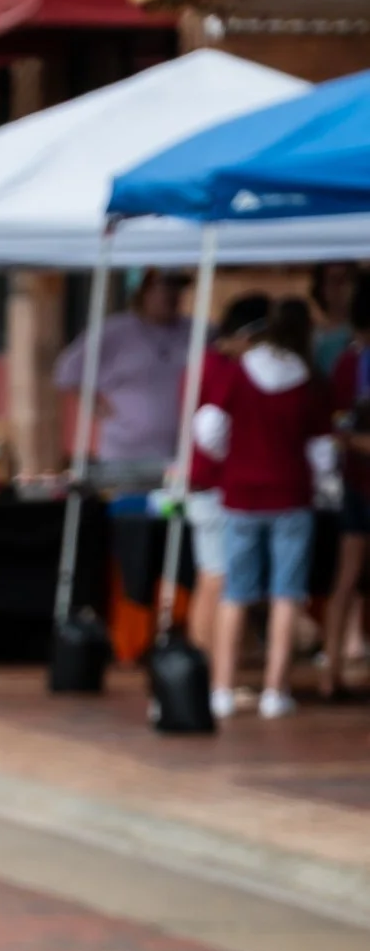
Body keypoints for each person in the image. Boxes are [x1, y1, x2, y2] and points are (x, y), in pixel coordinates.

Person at [197, 294, 338, 722]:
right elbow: (322, 450)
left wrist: (233, 457)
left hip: (240, 494)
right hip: (291, 495)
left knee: (236, 591)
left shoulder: (238, 374)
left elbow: (209, 428)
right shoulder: (308, 382)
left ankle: (221, 687)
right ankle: (275, 691)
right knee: (286, 594)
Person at [182, 292, 273, 674]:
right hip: (216, 484)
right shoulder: (223, 368)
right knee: (218, 580)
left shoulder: (204, 364)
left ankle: (206, 669)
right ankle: (207, 670)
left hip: (205, 482)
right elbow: (211, 428)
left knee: (212, 576)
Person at [55, 270, 188, 469]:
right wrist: (96, 406)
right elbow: (67, 371)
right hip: (125, 453)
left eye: (177, 289)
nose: (172, 295)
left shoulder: (196, 331)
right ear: (145, 292)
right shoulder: (116, 331)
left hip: (179, 451)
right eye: (165, 288)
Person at [322, 285, 370, 699]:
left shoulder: (346, 363)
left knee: (347, 577)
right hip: (358, 479)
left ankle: (331, 670)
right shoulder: (349, 364)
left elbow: (335, 426)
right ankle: (331, 667)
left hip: (356, 479)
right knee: (347, 576)